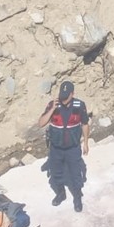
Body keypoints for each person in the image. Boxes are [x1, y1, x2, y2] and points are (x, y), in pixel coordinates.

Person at [38, 80, 90, 212]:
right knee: (56, 173)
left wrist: (86, 143)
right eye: (62, 96)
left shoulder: (79, 105)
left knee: (75, 175)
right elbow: (41, 123)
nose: (64, 100)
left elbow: (85, 124)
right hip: (56, 148)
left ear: (72, 94)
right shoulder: (53, 105)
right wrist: (52, 110)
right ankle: (61, 193)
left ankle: (77, 197)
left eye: (66, 97)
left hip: (73, 148)